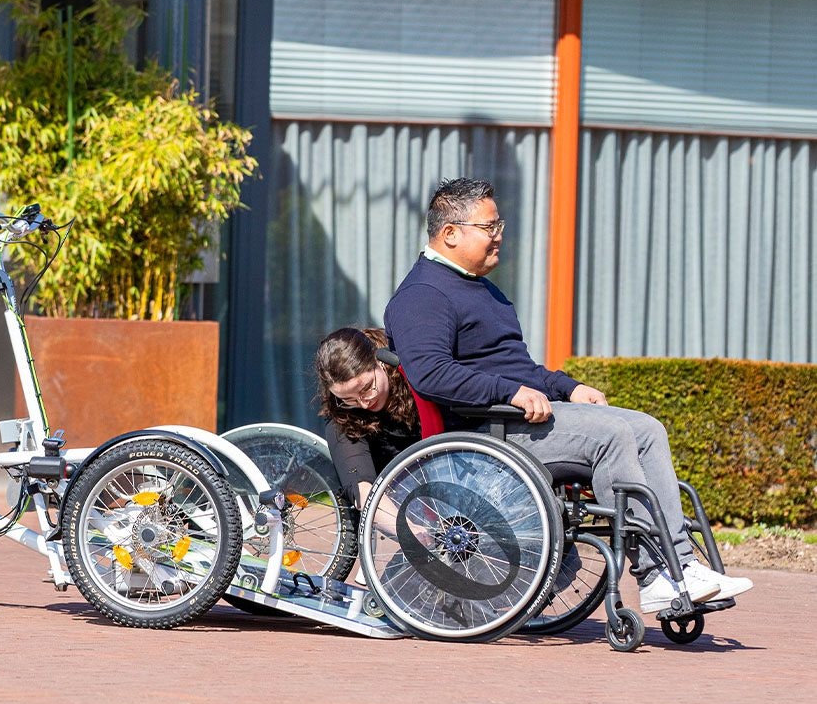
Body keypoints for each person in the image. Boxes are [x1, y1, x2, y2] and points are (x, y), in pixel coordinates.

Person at [384, 177, 753, 615]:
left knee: (646, 429)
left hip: (515, 419)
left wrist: (567, 387)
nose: (500, 233)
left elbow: (518, 367)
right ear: (450, 233)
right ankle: (656, 575)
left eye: (499, 222)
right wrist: (513, 393)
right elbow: (432, 375)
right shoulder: (423, 295)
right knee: (611, 434)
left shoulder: (481, 290)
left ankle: (682, 567)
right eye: (490, 225)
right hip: (485, 434)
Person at [314, 327, 421, 512]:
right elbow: (362, 491)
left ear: (379, 361)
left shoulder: (414, 368)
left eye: (366, 388)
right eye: (348, 399)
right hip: (397, 507)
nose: (363, 403)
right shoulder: (342, 414)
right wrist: (412, 533)